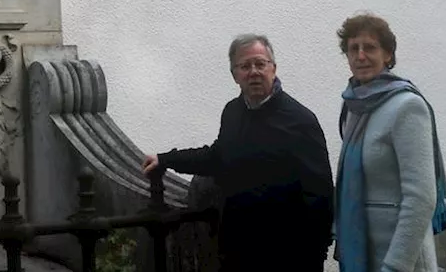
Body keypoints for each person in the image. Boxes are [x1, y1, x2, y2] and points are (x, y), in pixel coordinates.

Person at [141, 33, 334, 271]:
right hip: (239, 249)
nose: (253, 72)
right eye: (245, 66)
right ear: (235, 75)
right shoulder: (233, 112)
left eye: (260, 64)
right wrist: (166, 159)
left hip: (287, 253)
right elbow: (217, 157)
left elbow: (320, 194)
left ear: (273, 69)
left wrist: (316, 253)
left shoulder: (300, 121)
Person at [334, 13, 446, 272]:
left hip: (400, 259)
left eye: (370, 47)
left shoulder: (407, 107)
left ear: (387, 55)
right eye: (354, 49)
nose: (360, 56)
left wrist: (396, 266)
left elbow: (421, 198)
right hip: (362, 252)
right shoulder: (354, 106)